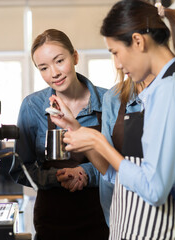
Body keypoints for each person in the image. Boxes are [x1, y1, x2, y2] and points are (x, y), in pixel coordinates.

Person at [51, 1, 175, 239]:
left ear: (138, 41)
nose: (117, 64)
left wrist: (99, 143)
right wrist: (77, 129)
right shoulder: (157, 90)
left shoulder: (171, 91)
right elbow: (118, 174)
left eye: (116, 52)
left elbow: (154, 188)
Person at [9, 29, 109, 240]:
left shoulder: (109, 101)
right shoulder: (32, 106)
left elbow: (120, 166)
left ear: (74, 57)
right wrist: (56, 177)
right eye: (44, 68)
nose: (53, 73)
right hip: (52, 222)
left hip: (103, 220)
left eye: (59, 61)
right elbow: (21, 169)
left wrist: (85, 173)